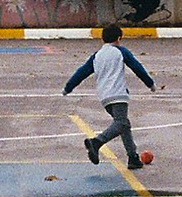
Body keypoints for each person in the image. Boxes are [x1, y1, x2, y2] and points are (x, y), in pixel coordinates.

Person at [63, 21, 155, 170]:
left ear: (103, 39)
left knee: (124, 124)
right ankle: (97, 142)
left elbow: (82, 72)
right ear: (119, 38)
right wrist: (150, 83)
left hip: (104, 96)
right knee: (121, 123)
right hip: (118, 93)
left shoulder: (97, 55)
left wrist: (68, 87)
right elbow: (137, 67)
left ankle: (133, 157)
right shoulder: (121, 51)